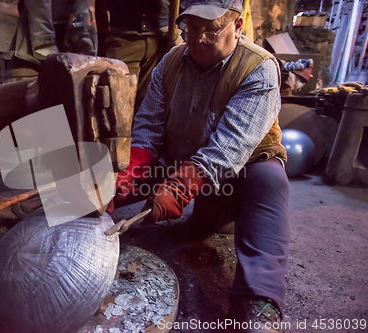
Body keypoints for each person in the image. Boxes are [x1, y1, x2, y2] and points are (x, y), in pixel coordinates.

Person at [106, 0, 291, 332]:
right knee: (107, 185)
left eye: (211, 29)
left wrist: (178, 188)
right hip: (184, 164)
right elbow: (148, 127)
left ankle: (257, 304)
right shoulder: (170, 62)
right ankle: (75, 216)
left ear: (237, 26)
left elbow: (228, 147)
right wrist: (124, 179)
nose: (198, 38)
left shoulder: (259, 68)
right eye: (191, 29)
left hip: (237, 173)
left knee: (269, 182)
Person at [103, 0, 184, 113]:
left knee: (149, 105)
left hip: (163, 37)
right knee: (117, 103)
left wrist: (182, 27)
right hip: (124, 36)